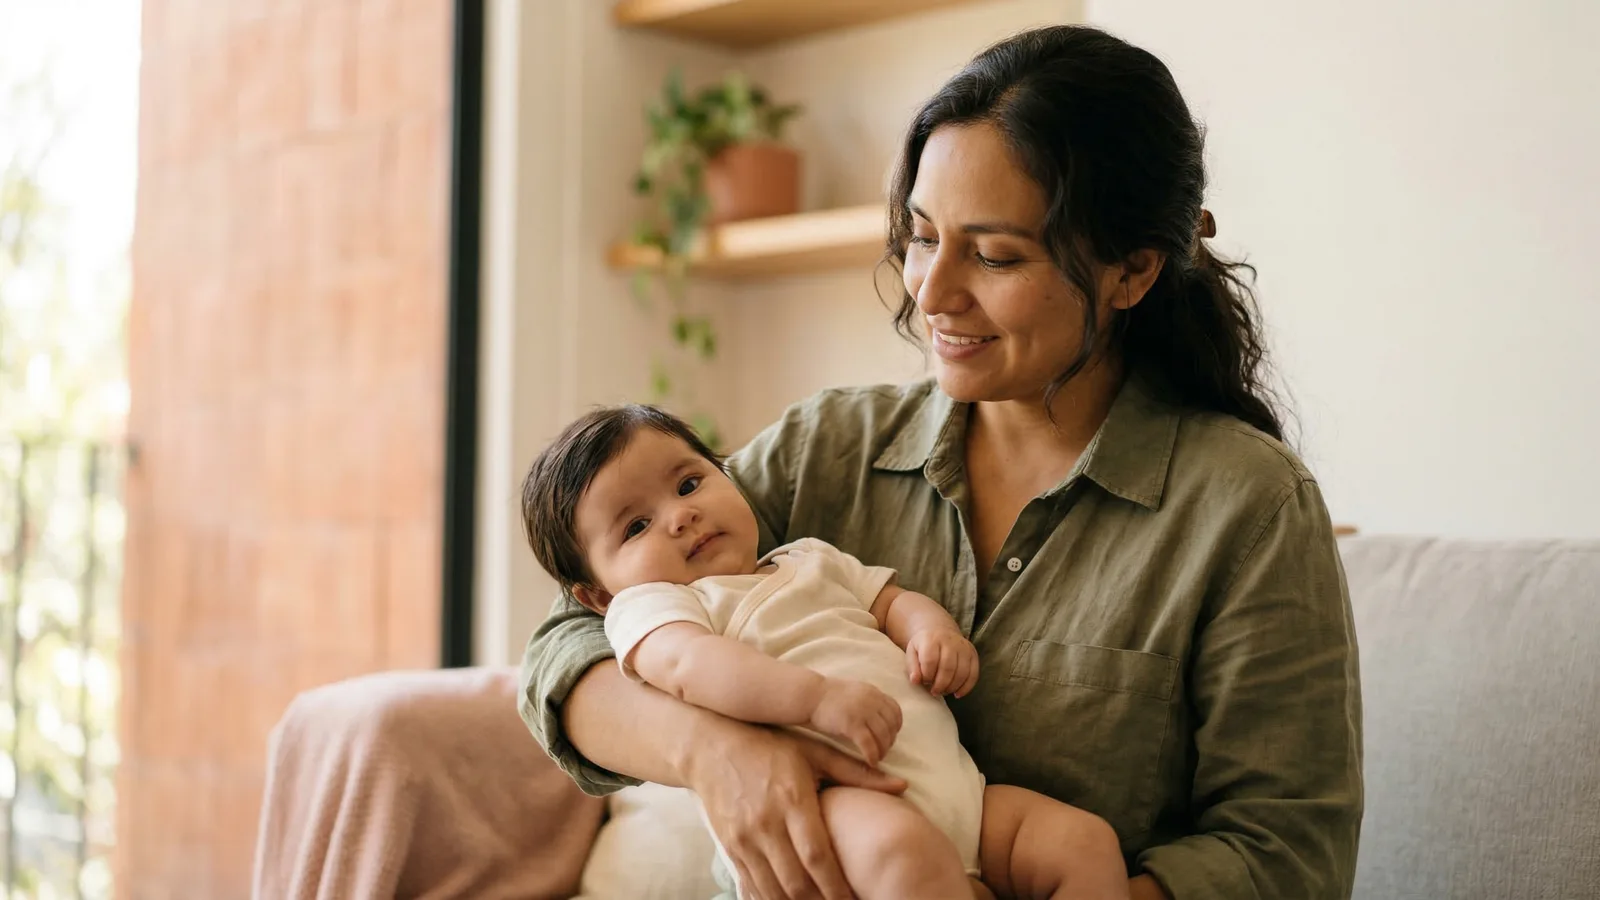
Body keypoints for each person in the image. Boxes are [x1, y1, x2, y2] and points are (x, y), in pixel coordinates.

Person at [521, 23, 1363, 900]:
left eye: (994, 255)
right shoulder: (829, 450)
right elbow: (567, 641)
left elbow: (1285, 855)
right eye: (922, 236)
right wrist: (714, 750)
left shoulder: (1248, 509)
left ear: (1133, 271)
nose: (929, 292)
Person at [520, 404, 1132, 899]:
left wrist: (932, 631)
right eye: (635, 527)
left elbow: (890, 601)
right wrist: (813, 698)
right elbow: (689, 670)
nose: (680, 516)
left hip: (955, 792)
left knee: (1082, 844)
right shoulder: (655, 610)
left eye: (688, 483)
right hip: (832, 815)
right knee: (905, 857)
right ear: (598, 593)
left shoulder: (807, 557)